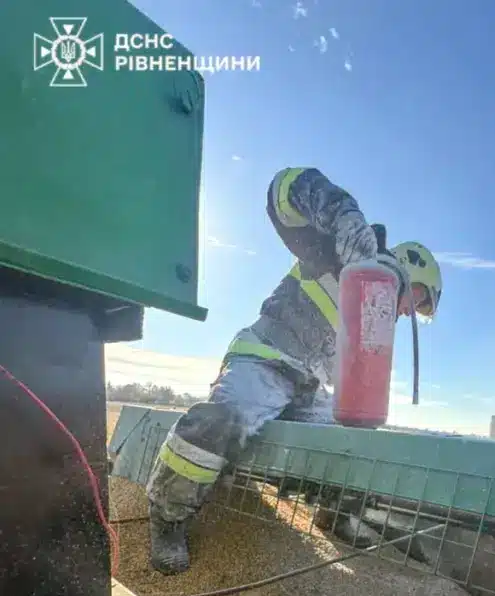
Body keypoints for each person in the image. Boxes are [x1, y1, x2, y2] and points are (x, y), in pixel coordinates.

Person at [146, 166, 443, 574]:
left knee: (353, 441)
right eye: (418, 301)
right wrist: (344, 216)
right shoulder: (335, 250)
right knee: (222, 421)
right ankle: (168, 516)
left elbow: (348, 375)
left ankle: (333, 514)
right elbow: (282, 191)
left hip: (305, 388)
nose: (409, 311)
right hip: (263, 359)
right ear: (411, 274)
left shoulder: (373, 315)